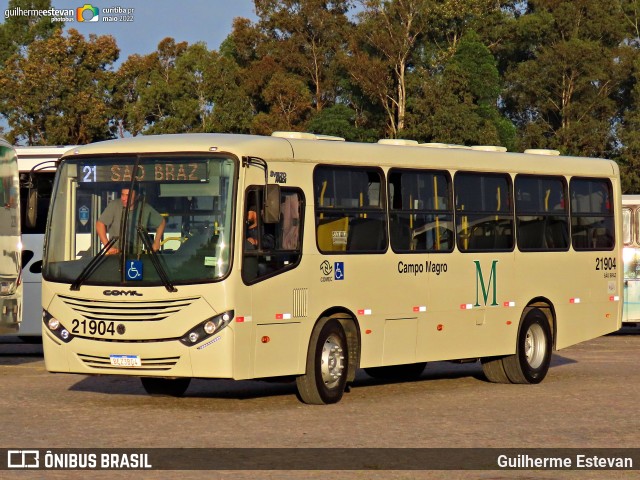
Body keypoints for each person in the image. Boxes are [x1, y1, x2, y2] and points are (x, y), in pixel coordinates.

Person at [96, 187, 166, 255]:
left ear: (137, 197)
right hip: (116, 253)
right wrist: (108, 246)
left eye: (128, 196)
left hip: (137, 255)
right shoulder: (114, 205)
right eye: (122, 194)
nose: (123, 198)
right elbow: (100, 224)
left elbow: (161, 222)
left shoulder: (144, 208)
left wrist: (157, 242)